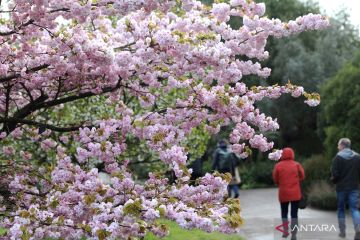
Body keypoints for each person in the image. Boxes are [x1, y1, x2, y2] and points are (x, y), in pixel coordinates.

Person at [331, 138, 360, 240]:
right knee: (354, 209)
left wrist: (334, 180)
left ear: (342, 145)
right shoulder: (357, 157)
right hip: (354, 188)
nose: (338, 147)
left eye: (338, 145)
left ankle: (342, 232)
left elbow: (335, 174)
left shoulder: (337, 158)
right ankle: (358, 228)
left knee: (341, 209)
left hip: (341, 188)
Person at [273, 147, 304, 240]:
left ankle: (285, 231)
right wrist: (297, 181)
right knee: (294, 214)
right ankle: (294, 233)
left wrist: (280, 183)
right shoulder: (296, 165)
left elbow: (275, 179)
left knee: (284, 212)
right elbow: (302, 175)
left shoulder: (278, 166)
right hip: (295, 193)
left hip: (283, 192)